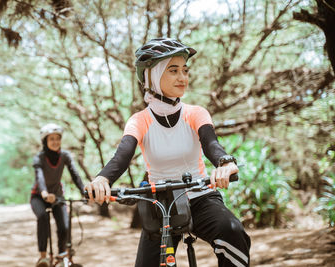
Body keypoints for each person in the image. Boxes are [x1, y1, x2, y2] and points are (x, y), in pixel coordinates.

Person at [85, 38, 251, 267]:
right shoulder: (139, 120)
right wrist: (102, 179)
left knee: (233, 232)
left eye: (185, 70)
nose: (183, 77)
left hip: (200, 195)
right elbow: (121, 156)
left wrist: (225, 163)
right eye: (173, 70)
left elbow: (212, 144)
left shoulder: (195, 113)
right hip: (160, 203)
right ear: (152, 76)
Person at [30, 123, 85, 267]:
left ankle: (61, 256)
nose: (55, 142)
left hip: (57, 196)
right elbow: (39, 177)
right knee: (42, 217)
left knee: (64, 225)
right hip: (38, 196)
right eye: (51, 139)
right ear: (45, 142)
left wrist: (84, 191)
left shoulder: (65, 156)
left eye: (57, 138)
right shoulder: (39, 158)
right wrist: (44, 193)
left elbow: (74, 173)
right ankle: (43, 257)